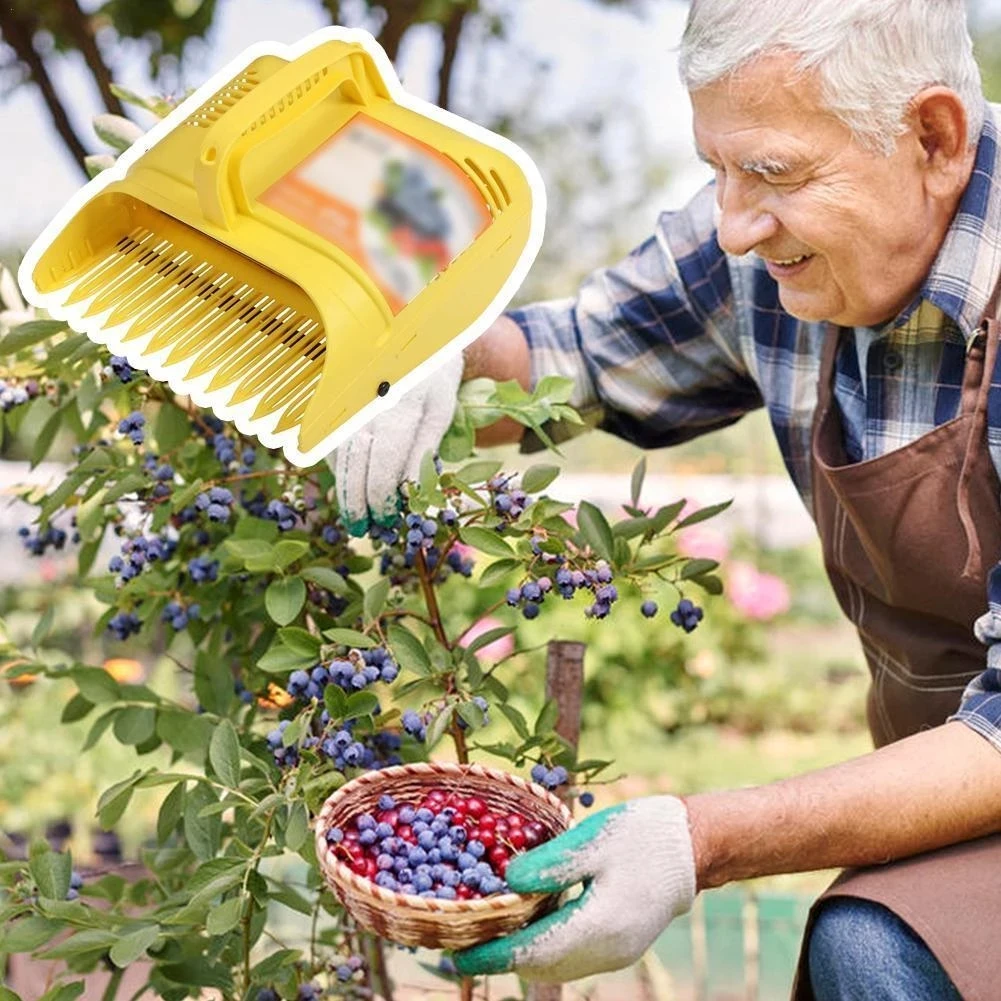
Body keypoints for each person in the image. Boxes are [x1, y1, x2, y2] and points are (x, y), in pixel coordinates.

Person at [330, 1, 1001, 998]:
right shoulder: (768, 244)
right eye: (715, 168)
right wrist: (437, 353)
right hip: (948, 787)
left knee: (876, 948)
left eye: (772, 172)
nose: (733, 226)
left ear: (932, 138)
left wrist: (699, 839)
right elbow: (571, 357)